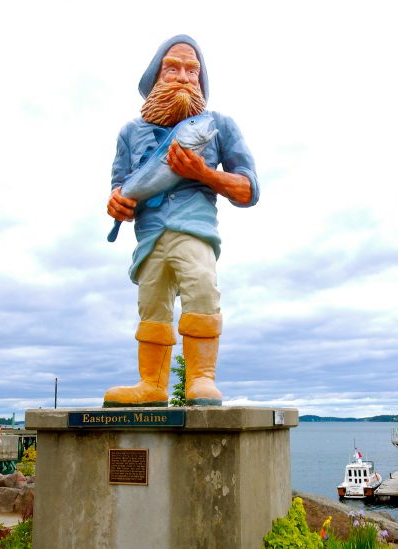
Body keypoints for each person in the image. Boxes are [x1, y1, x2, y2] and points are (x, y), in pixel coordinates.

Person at [104, 34, 259, 407]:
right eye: (172, 67)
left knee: (202, 290)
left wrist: (205, 174)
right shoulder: (130, 132)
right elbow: (118, 186)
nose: (184, 76)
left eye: (193, 70)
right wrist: (116, 203)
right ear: (154, 77)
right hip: (149, 236)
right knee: (151, 303)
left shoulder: (219, 125)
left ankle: (201, 379)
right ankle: (150, 384)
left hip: (195, 229)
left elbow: (248, 190)